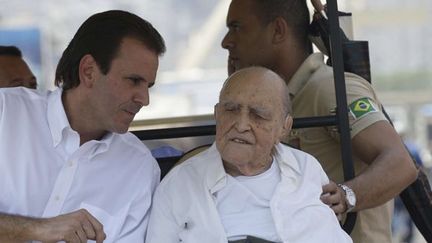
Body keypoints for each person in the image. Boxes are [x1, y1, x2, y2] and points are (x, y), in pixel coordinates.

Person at [220, 0, 417, 242]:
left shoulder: (328, 89)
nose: (226, 41)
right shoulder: (281, 99)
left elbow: (400, 165)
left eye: (237, 27)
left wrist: (345, 196)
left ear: (278, 31)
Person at [0, 10, 165, 243]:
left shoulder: (139, 167)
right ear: (89, 71)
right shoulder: (6, 113)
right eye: (134, 81)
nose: (144, 99)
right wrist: (36, 230)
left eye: (149, 85)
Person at [146, 67, 352, 243]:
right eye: (231, 110)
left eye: (258, 115)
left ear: (284, 127)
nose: (242, 125)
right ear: (217, 114)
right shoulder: (179, 185)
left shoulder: (306, 168)